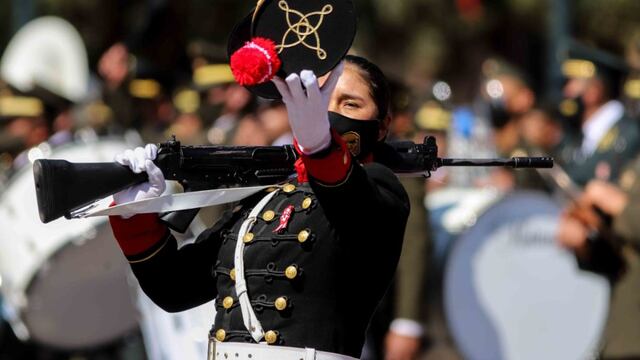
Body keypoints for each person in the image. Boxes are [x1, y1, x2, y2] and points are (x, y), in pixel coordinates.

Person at [108, 55, 410, 359]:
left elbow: (350, 201)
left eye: (350, 104)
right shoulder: (266, 197)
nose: (328, 113)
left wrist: (320, 146)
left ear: (382, 126)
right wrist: (134, 214)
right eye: (320, 101)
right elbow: (174, 288)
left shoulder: (380, 188)